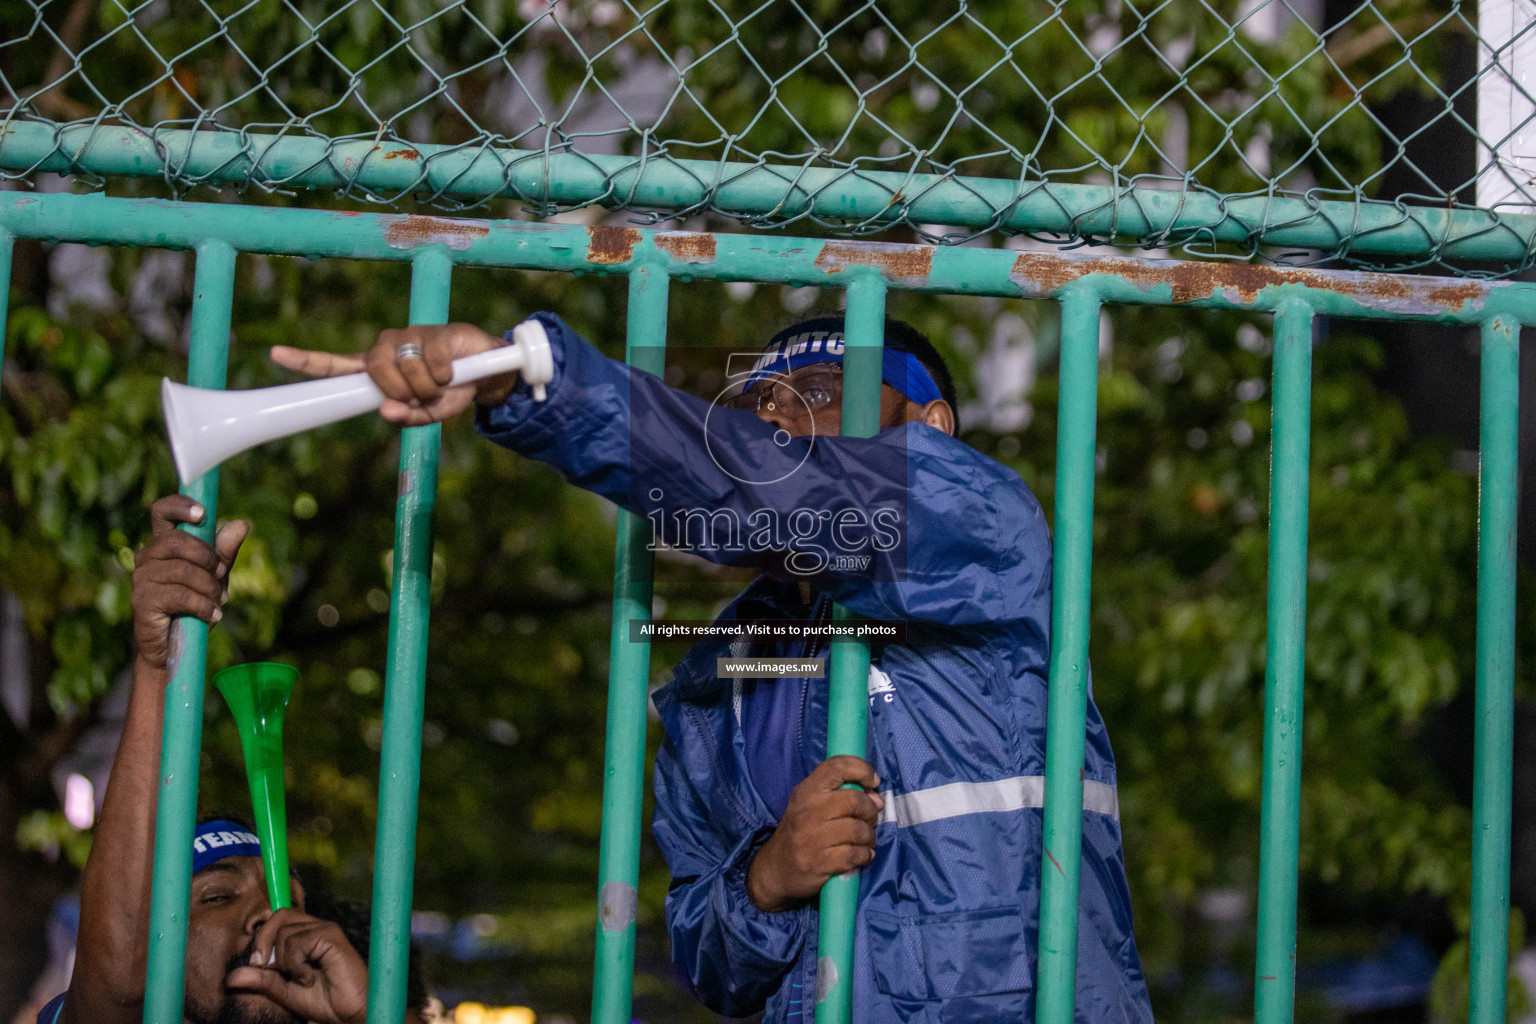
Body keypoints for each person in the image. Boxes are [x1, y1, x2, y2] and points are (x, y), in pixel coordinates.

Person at [271, 311, 1152, 1022]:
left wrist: (527, 376)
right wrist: (767, 880)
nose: (773, 419)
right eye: (759, 406)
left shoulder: (982, 518)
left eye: (817, 392)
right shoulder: (712, 685)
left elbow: (782, 492)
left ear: (929, 426)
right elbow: (708, 961)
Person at [38, 496, 428, 1024]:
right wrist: (160, 664)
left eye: (286, 896)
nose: (269, 913)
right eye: (217, 897)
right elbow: (119, 988)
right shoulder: (122, 987)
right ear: (154, 948)